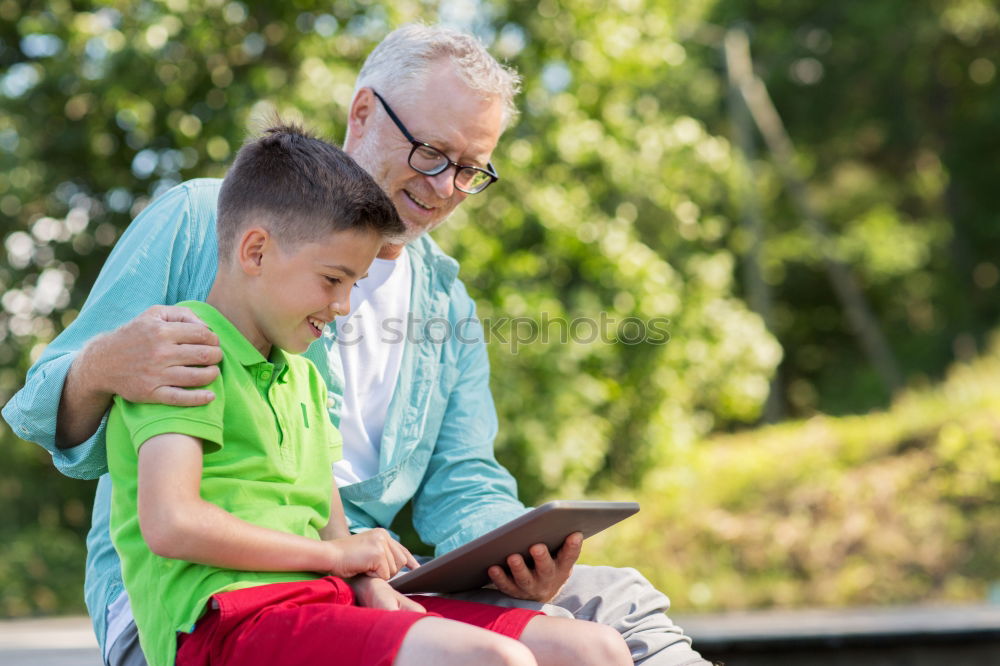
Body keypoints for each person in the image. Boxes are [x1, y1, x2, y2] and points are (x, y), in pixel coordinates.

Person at [2, 23, 709, 666]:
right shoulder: (208, 217)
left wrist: (521, 555)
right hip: (210, 597)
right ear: (363, 112)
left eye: (471, 170)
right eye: (433, 152)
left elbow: (462, 482)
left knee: (615, 605)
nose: (446, 188)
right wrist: (104, 367)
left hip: (366, 581)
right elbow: (45, 413)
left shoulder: (446, 302)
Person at [106, 123, 631, 666]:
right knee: (497, 660)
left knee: (592, 648)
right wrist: (332, 556)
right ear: (256, 251)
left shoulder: (304, 377)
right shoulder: (179, 352)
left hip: (324, 602)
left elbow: (334, 528)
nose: (345, 306)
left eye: (355, 284)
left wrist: (371, 587)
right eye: (333, 280)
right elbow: (172, 524)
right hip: (226, 623)